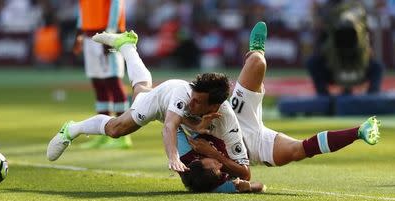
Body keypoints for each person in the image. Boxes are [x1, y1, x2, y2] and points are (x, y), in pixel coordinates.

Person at [180, 21, 381, 193]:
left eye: (211, 164)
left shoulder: (187, 159)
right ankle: (360, 131)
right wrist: (226, 166)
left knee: (258, 62)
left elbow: (174, 124)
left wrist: (194, 125)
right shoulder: (218, 182)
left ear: (196, 164)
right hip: (255, 146)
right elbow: (251, 180)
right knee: (299, 149)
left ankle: (255, 50)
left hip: (233, 116)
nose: (217, 165)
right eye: (217, 169)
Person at [47, 30, 250, 176]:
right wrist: (173, 157)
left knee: (141, 89)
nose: (192, 102)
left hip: (173, 111)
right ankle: (72, 129)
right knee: (116, 129)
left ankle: (127, 46)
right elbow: (170, 125)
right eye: (193, 96)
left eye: (198, 102)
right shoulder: (184, 93)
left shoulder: (227, 119)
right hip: (160, 104)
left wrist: (214, 151)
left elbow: (246, 172)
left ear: (214, 107)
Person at [72, 0, 131, 149]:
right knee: (98, 83)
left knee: (113, 81)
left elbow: (116, 4)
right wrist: (79, 31)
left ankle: (123, 135)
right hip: (88, 35)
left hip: (107, 33)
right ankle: (105, 134)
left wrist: (109, 33)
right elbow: (83, 7)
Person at [306, 0, 383, 95]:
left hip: (356, 62)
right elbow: (319, 31)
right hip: (333, 64)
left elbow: (365, 31)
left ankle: (372, 98)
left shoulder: (356, 7)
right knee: (313, 63)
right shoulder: (327, 8)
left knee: (377, 67)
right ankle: (323, 97)